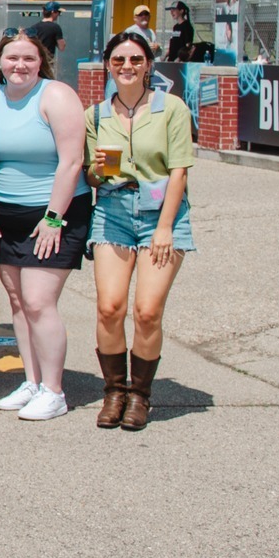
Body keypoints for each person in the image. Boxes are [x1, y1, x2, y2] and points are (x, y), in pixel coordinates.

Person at [0, 32, 89, 422]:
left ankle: (54, 390)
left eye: (28, 58)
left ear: (40, 61)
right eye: (12, 59)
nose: (19, 65)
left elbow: (71, 161)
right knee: (19, 303)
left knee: (40, 303)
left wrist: (53, 218)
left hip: (55, 214)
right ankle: (32, 381)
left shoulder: (56, 95)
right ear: (0, 62)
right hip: (3, 214)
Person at [88, 31, 194, 431]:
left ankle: (140, 396)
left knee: (147, 311)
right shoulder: (96, 114)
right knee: (109, 307)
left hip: (160, 213)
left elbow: (179, 169)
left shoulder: (172, 109)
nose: (127, 67)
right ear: (109, 66)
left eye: (135, 59)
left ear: (148, 64)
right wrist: (97, 169)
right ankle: (114, 391)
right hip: (113, 210)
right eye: (118, 60)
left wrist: (165, 227)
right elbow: (92, 176)